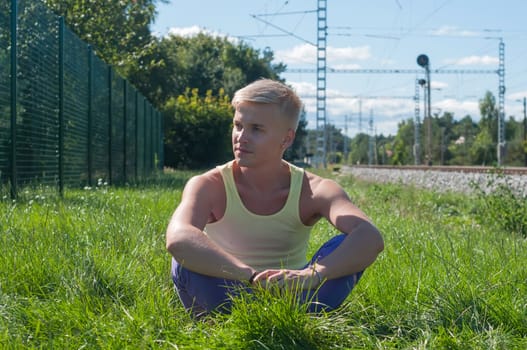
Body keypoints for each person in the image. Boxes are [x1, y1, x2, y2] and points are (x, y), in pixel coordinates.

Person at [166, 79, 384, 316]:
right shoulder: (208, 184)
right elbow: (179, 237)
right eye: (238, 125)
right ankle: (230, 322)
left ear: (287, 139)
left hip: (296, 297)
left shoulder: (315, 189)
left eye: (256, 129)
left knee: (346, 245)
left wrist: (311, 275)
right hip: (226, 292)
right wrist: (248, 276)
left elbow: (370, 237)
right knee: (185, 255)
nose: (242, 137)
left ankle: (295, 319)